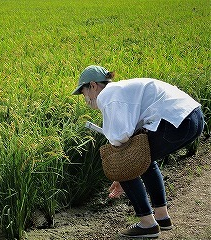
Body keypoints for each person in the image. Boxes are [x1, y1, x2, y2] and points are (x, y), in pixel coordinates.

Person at [72, 65, 204, 238]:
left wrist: (122, 173)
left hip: (176, 122)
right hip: (193, 118)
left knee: (123, 162)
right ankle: (161, 217)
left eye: (84, 93)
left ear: (93, 85)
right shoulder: (121, 90)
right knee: (144, 159)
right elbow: (131, 135)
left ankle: (147, 224)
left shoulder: (107, 95)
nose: (86, 99)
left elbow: (119, 139)